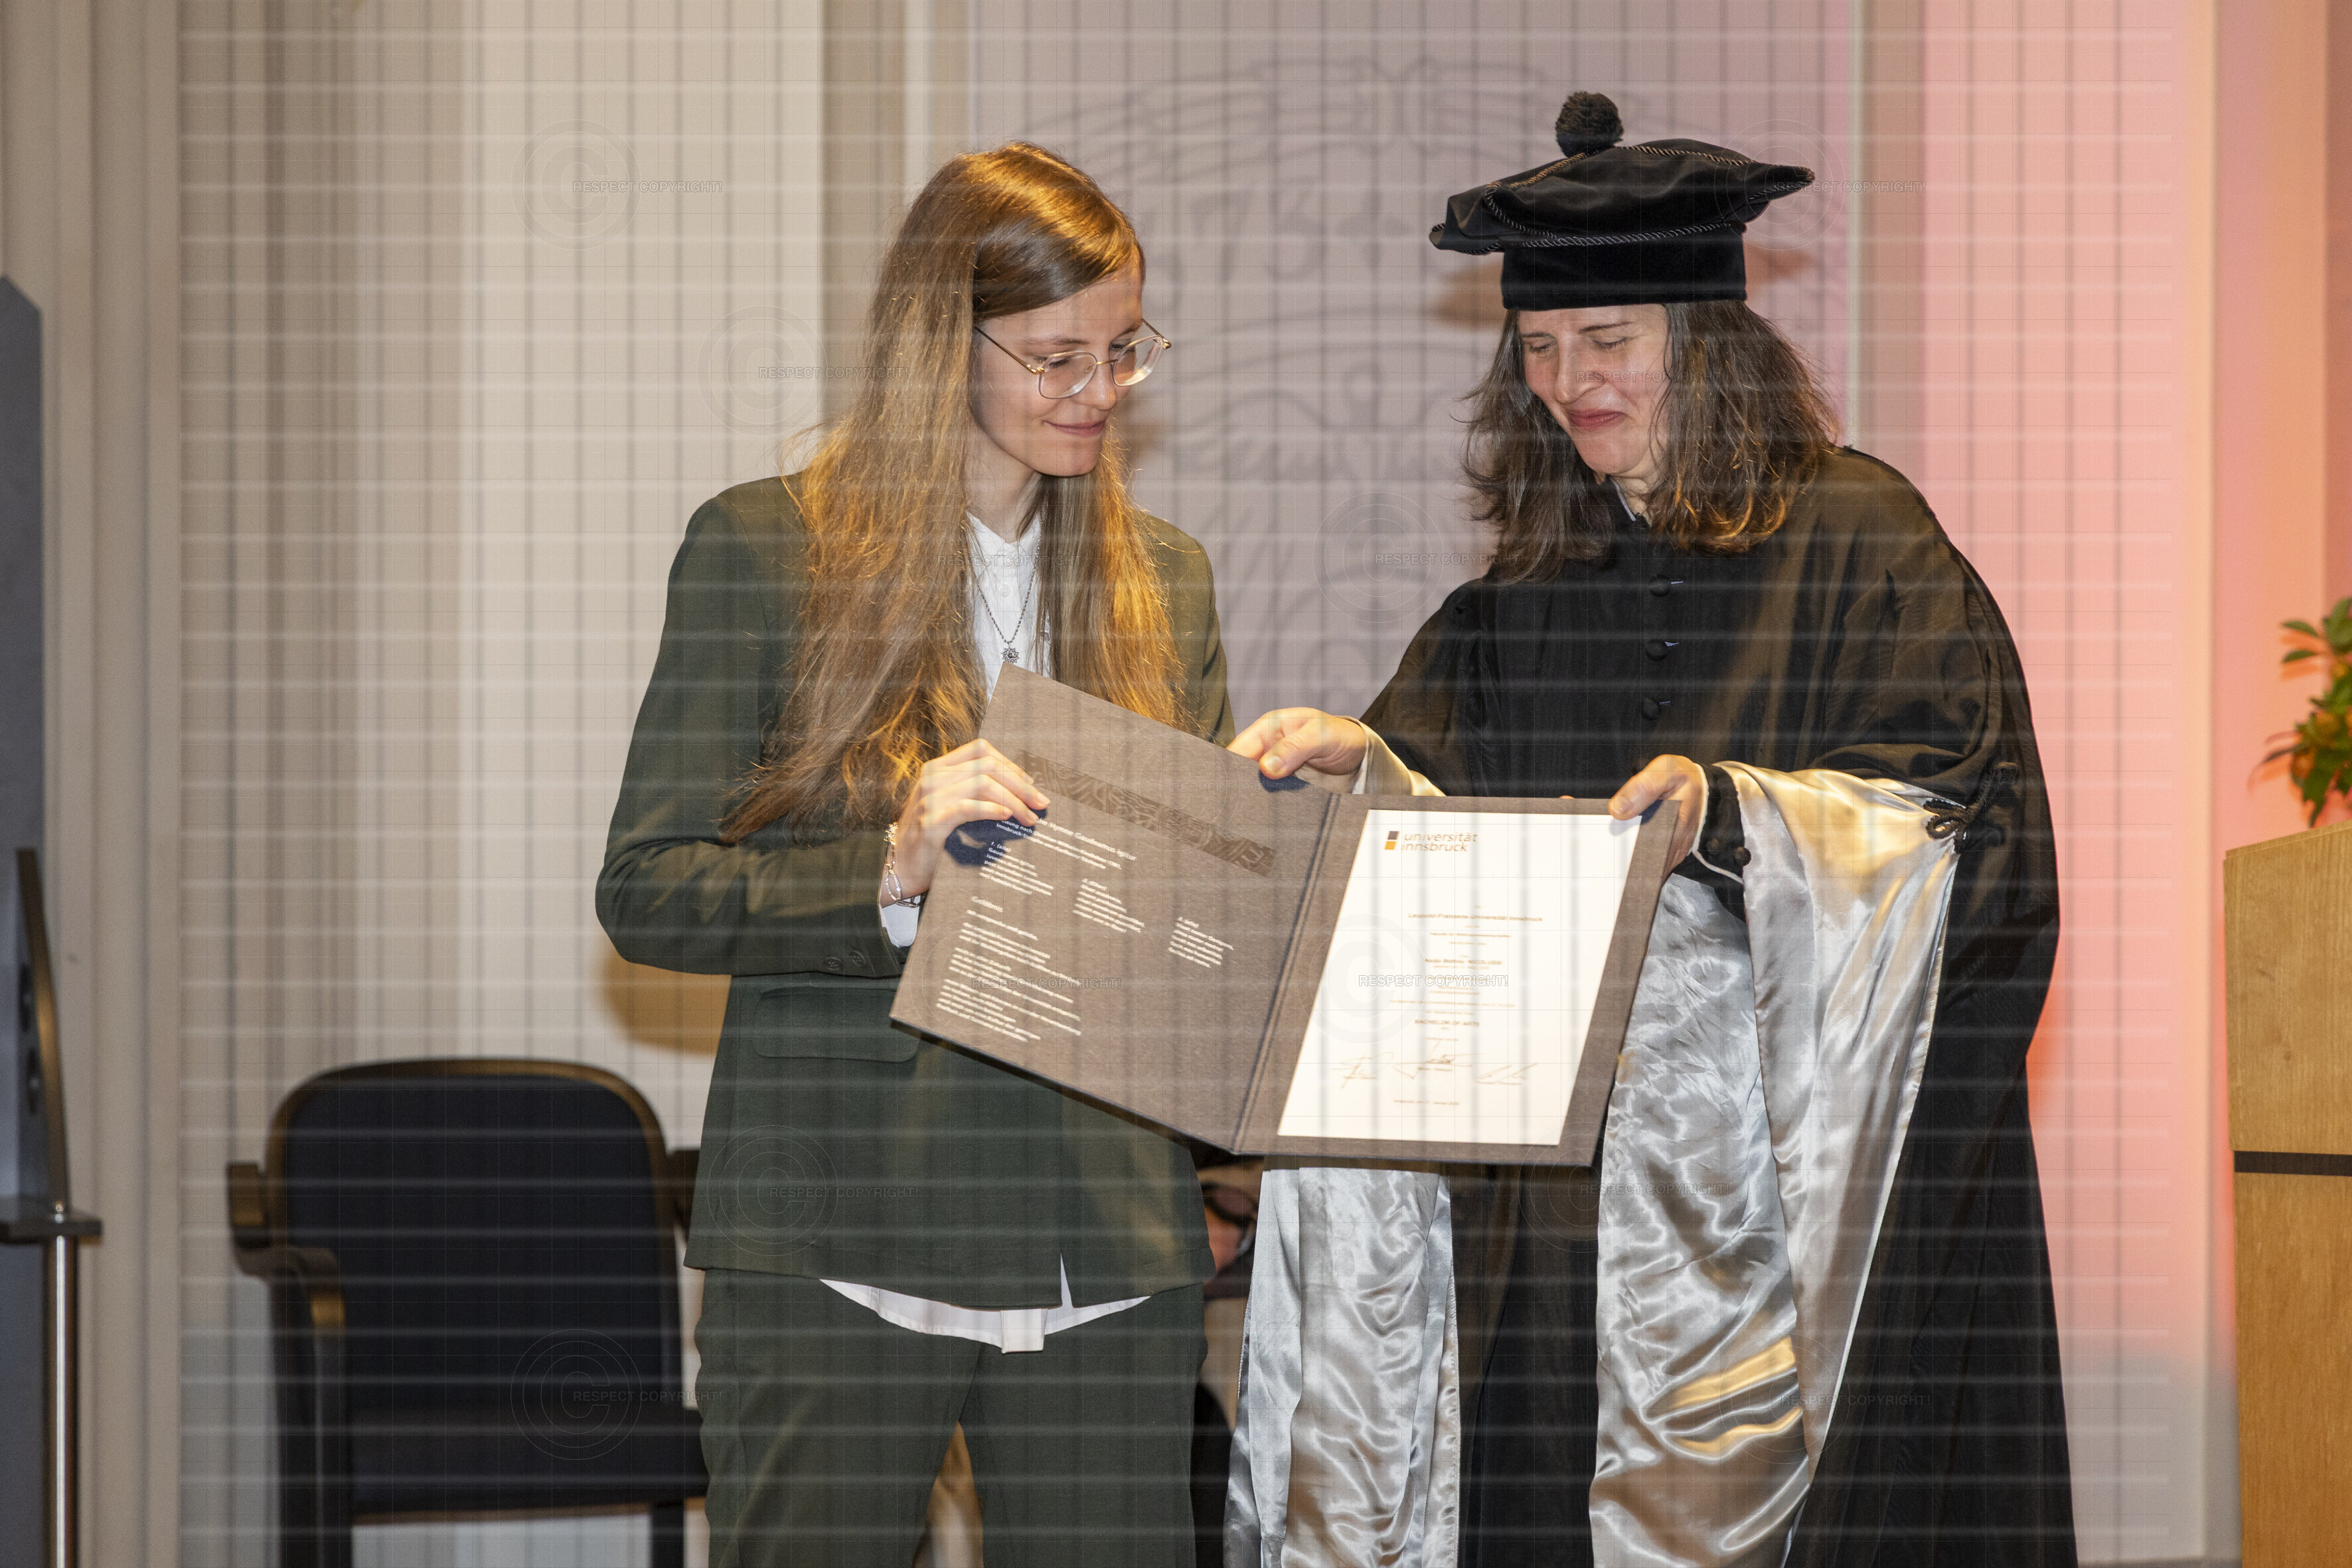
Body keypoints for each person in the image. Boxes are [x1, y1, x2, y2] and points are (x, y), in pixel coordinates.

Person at [1227, 93, 2073, 1567]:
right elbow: (1450, 832)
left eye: (1607, 340)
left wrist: (1734, 816)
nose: (1571, 382)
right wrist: (1365, 768)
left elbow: (1968, 834)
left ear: (1706, 340)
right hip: (1564, 1219)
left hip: (1787, 1221)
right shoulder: (1522, 593)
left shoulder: (1863, 541)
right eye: (1541, 348)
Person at [598, 142, 1232, 1568]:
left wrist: (1266, 855)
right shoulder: (766, 551)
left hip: (1104, 1239)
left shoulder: (1166, 578)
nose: (1099, 392)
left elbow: (1185, 937)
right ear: (942, 345)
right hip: (842, 1224)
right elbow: (645, 887)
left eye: (1125, 350)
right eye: (1055, 357)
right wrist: (889, 875)